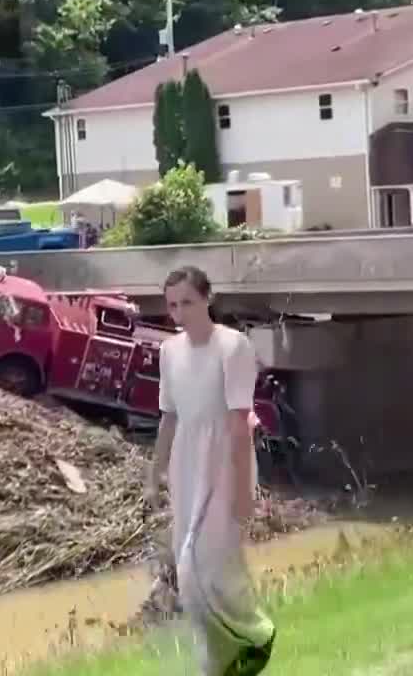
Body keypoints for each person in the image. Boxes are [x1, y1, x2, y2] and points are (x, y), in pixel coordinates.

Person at [145, 265, 276, 676]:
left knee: (205, 565)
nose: (179, 312)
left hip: (224, 460)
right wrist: (155, 475)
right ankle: (221, 660)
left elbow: (240, 421)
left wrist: (241, 492)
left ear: (207, 299)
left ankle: (254, 635)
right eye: (172, 305)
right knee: (192, 574)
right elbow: (169, 418)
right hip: (187, 462)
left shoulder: (233, 346)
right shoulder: (169, 351)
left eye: (187, 302)